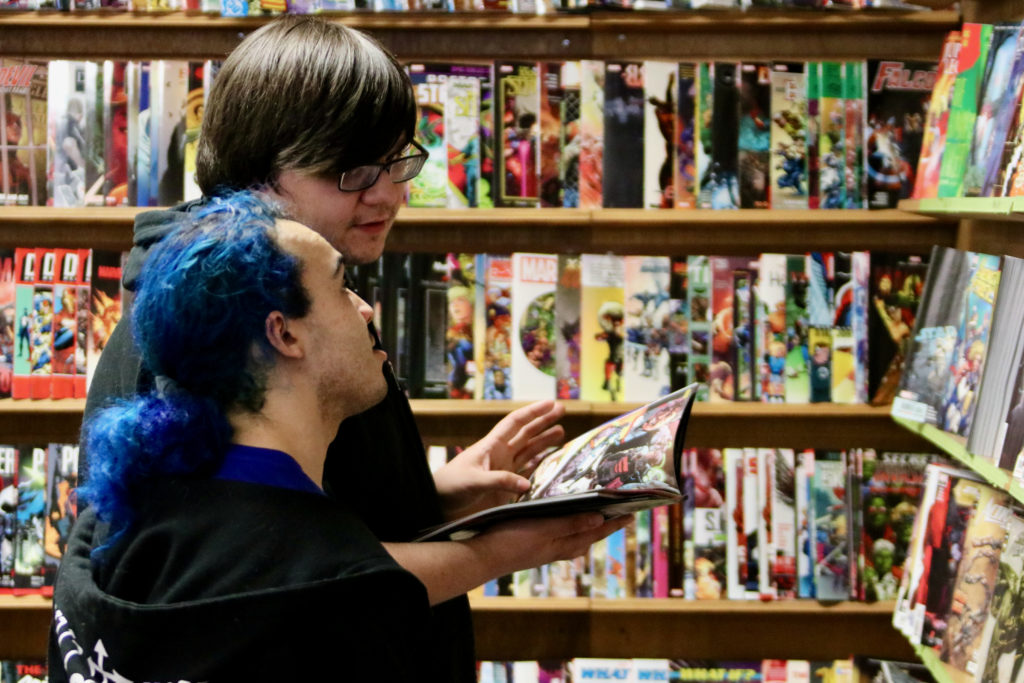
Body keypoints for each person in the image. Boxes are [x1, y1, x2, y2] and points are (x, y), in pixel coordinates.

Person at [79, 15, 628, 680]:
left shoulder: (278, 288)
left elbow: (308, 518)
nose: (390, 194)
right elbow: (268, 580)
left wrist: (431, 495)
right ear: (257, 170)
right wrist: (501, 550)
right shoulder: (209, 332)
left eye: (397, 160)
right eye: (353, 171)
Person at [53, 192, 618, 680]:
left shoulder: (132, 518)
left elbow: (290, 565)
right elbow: (326, 583)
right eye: (342, 285)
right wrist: (502, 551)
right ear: (284, 334)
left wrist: (440, 504)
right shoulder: (329, 599)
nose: (365, 308)